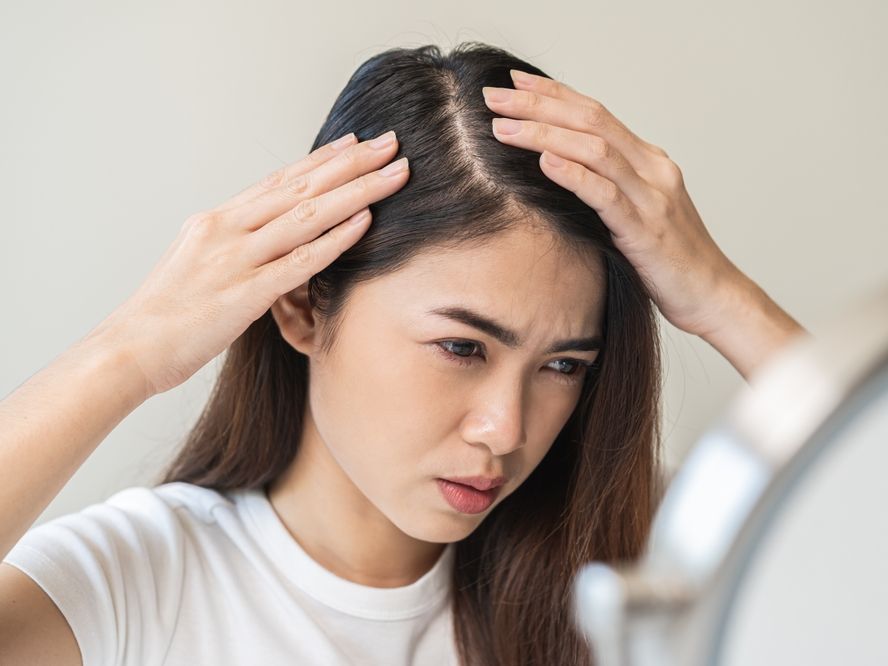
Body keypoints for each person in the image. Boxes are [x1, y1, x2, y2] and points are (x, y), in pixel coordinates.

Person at [0, 42, 807, 665]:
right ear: (303, 307)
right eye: (462, 346)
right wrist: (129, 353)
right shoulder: (138, 580)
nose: (505, 429)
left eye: (563, 365)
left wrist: (724, 298)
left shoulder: (628, 562)